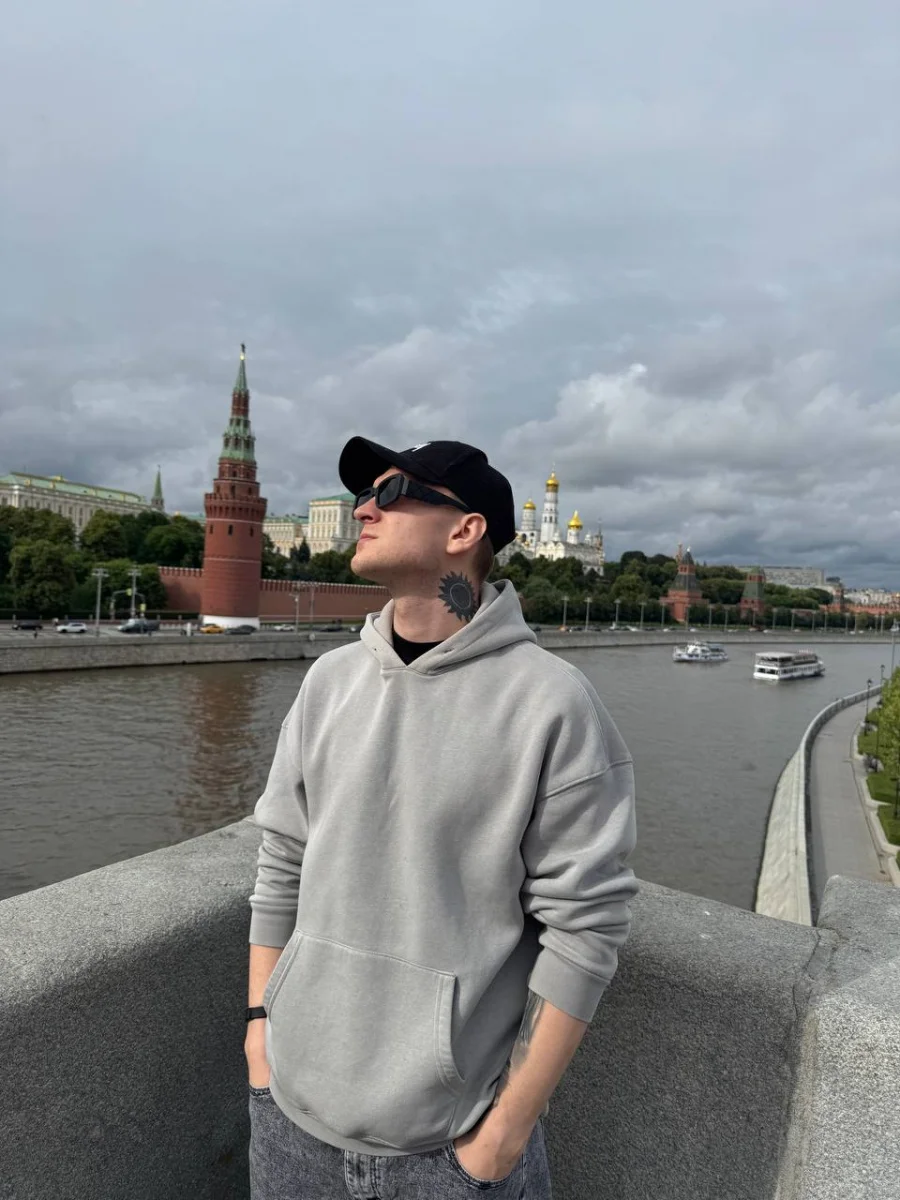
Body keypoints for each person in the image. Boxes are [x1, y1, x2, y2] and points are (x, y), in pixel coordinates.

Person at [246, 437, 637, 1199]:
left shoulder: (552, 703)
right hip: (289, 1117)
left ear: (465, 531)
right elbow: (281, 861)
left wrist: (504, 1133)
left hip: (449, 1151)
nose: (365, 509)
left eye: (393, 494)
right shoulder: (329, 681)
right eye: (365, 495)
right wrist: (261, 1028)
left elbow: (586, 928)